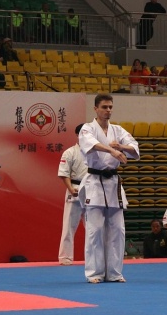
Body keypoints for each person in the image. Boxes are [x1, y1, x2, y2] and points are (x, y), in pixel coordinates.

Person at [78, 93, 140, 283]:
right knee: (95, 230)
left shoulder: (117, 130)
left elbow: (135, 148)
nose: (108, 110)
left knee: (118, 230)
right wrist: (112, 150)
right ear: (95, 109)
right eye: (104, 107)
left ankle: (114, 273)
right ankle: (94, 273)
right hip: (95, 182)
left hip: (113, 183)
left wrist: (121, 146)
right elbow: (91, 145)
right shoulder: (87, 129)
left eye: (110, 107)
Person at [57, 123, 88, 266]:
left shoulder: (94, 152)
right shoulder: (70, 152)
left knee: (93, 228)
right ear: (77, 135)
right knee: (69, 226)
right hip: (74, 188)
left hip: (91, 190)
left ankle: (92, 258)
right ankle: (65, 258)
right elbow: (64, 173)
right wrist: (70, 188)